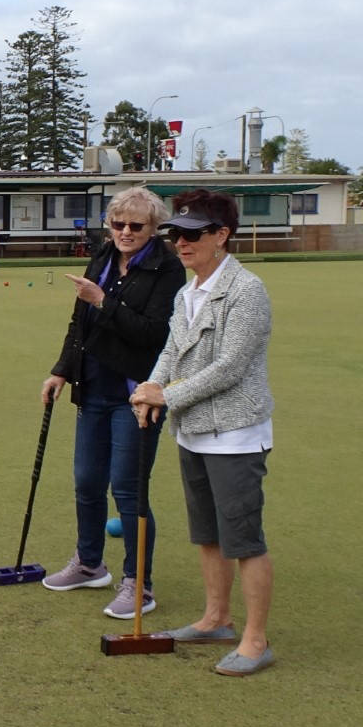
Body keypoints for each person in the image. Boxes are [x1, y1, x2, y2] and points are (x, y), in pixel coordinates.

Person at [129, 189, 277, 677]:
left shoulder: (246, 291)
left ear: (221, 236)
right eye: (176, 234)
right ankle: (216, 617)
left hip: (234, 432)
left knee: (244, 539)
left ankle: (256, 640)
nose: (181, 242)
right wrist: (151, 385)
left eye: (193, 234)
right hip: (193, 431)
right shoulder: (186, 292)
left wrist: (164, 397)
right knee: (208, 534)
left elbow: (231, 367)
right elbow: (173, 352)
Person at [39, 187, 184, 620]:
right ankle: (89, 563)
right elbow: (79, 322)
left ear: (153, 229)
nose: (125, 232)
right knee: (86, 482)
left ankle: (139, 585)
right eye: (117, 224)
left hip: (136, 394)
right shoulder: (103, 256)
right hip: (93, 387)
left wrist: (102, 300)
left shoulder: (168, 268)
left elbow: (154, 334)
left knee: (128, 489)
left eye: (135, 226)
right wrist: (61, 370)